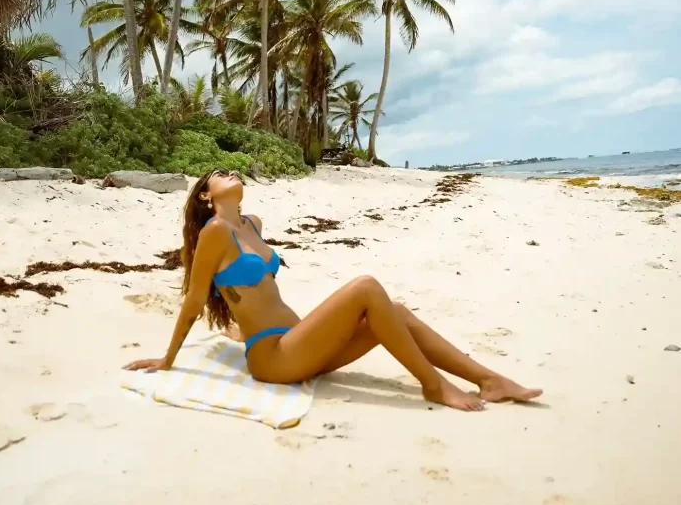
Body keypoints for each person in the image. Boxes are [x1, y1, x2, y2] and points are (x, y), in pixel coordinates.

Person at [124, 169, 543, 411]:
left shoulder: (252, 224)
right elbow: (196, 299)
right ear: (204, 194)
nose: (229, 172)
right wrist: (168, 358)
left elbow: (246, 298)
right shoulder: (215, 232)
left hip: (300, 342)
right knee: (365, 287)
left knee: (393, 309)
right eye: (218, 175)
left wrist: (235, 329)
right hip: (274, 357)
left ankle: (489, 380)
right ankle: (432, 385)